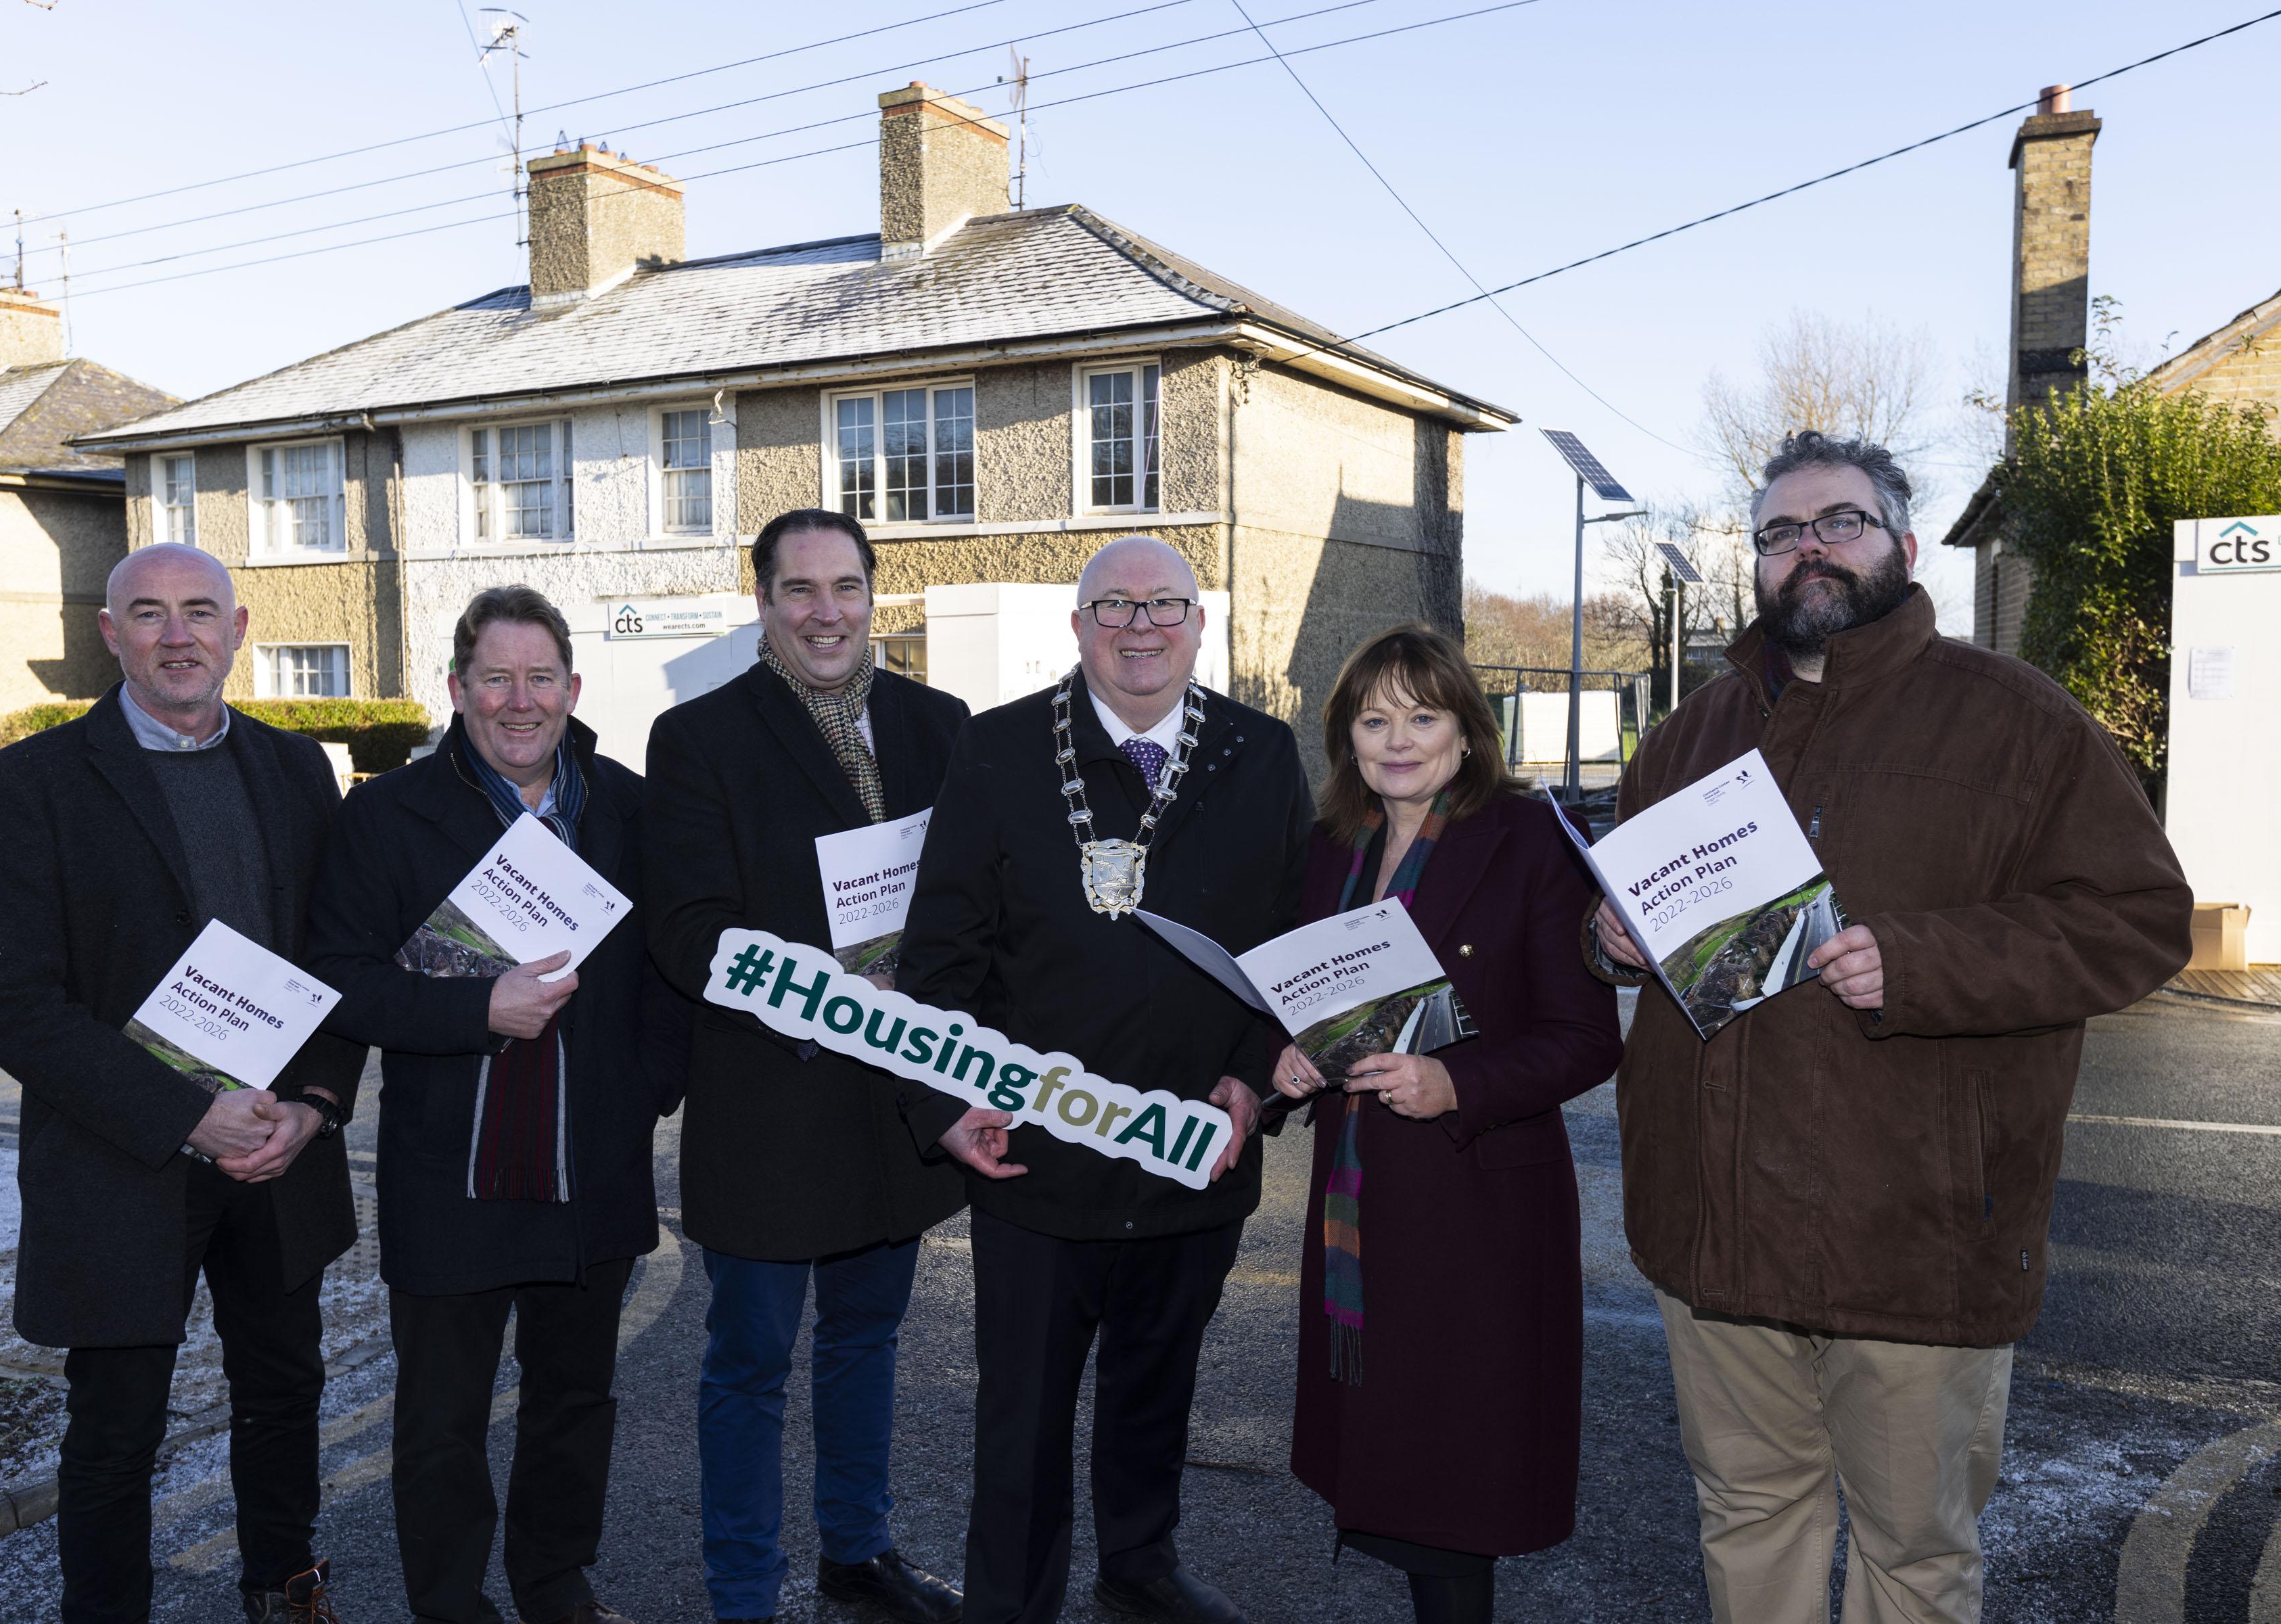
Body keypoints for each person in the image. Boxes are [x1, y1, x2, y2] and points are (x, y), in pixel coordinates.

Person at [1590, 432, 2193, 1624]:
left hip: (1916, 1233)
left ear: (1905, 549)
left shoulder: (2019, 721)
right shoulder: (1686, 738)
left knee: (1914, 1551)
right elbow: (1629, 916)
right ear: (1755, 563)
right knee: (1747, 1516)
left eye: (1839, 523)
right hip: (1716, 1230)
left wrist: (1922, 961)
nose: (1807, 547)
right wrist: (1605, 941)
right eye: (1778, 532)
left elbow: (2140, 920)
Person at [897, 536, 1312, 1624]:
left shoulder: (1262, 754)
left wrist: (1252, 1080)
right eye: (1113, 607)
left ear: (1200, 623)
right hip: (1038, 1152)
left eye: (1164, 605)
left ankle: (1140, 1564)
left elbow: (1295, 943)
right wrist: (946, 1103)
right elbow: (941, 952)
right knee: (1023, 1414)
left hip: (1195, 1144)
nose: (1140, 627)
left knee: (1155, 1387)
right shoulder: (996, 751)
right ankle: (1012, 1603)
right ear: (1076, 628)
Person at [0, 542, 363, 1624]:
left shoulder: (293, 771)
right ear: (110, 633)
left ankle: (284, 1588)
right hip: (122, 1159)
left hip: (276, 1148)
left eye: (199, 611)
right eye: (148, 612)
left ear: (239, 630)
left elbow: (337, 961)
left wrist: (317, 1106)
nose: (176, 634)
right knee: (116, 1429)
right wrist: (191, 1113)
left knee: (285, 1389)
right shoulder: (29, 784)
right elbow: (12, 1004)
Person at [306, 586, 687, 1624]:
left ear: (572, 687)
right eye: (495, 678)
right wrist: (479, 1006)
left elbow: (674, 971)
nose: (520, 701)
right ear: (458, 688)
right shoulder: (387, 815)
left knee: (575, 1404)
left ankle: (555, 1583)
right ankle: (450, 1601)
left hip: (590, 1165)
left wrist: (648, 1089)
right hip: (452, 1167)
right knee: (441, 1420)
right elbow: (338, 972)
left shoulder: (631, 807)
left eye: (540, 679)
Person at [645, 509, 971, 1624]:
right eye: (800, 591)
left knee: (868, 1337)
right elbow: (688, 933)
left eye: (845, 587)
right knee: (748, 1366)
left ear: (877, 593)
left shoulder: (942, 726)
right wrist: (832, 995)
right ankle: (745, 1591)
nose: (825, 612)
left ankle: (856, 1550)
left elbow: (976, 905)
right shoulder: (700, 739)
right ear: (764, 604)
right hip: (770, 1100)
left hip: (897, 1105)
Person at [1269, 626, 1621, 1624]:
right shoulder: (1335, 845)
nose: (1398, 739)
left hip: (1477, 1216)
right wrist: (1289, 1056)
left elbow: (1586, 1037)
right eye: (1374, 719)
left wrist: (1453, 1080)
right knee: (1391, 1453)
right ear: (1347, 739)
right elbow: (1305, 997)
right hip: (1364, 1201)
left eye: (1423, 715)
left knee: (1457, 1480)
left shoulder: (1531, 840)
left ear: (1469, 733)